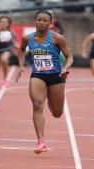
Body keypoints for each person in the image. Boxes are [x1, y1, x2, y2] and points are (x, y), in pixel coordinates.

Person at [15, 11, 74, 154]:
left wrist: (65, 68)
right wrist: (21, 66)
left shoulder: (57, 38)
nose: (42, 22)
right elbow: (21, 50)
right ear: (34, 21)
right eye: (39, 20)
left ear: (50, 23)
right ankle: (41, 141)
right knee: (36, 105)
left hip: (56, 76)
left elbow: (69, 56)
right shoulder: (27, 38)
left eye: (45, 20)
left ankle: (50, 99)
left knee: (57, 113)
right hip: (38, 75)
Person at [0, 16, 20, 88]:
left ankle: (5, 78)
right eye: (1, 22)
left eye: (5, 22)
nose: (3, 23)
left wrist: (17, 46)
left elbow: (13, 41)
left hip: (6, 49)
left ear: (8, 24)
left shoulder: (10, 31)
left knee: (4, 60)